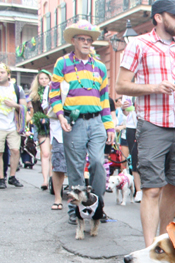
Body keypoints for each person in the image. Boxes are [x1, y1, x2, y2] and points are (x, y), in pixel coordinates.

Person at [116, 0, 175, 246]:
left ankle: (164, 242)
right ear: (159, 17)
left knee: (174, 185)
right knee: (152, 188)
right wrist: (154, 87)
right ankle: (149, 246)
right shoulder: (139, 45)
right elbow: (120, 85)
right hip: (152, 124)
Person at [49, 21, 115, 225]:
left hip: (96, 122)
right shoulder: (63, 63)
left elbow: (104, 97)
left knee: (97, 162)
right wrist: (60, 116)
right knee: (75, 167)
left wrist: (109, 125)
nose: (86, 43)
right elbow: (54, 93)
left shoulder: (100, 66)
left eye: (89, 40)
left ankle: (97, 207)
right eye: (82, 39)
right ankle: (75, 209)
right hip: (73, 121)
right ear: (73, 41)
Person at [0, 63, 28, 189]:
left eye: (2, 72)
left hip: (13, 125)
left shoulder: (16, 89)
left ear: (8, 75)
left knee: (15, 150)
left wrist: (15, 105)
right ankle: (1, 178)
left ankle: (12, 176)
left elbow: (24, 106)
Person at [43, 70, 66, 211]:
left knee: (80, 165)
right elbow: (46, 107)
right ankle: (58, 197)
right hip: (59, 130)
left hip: (79, 127)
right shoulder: (51, 86)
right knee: (58, 165)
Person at [30, 70, 53, 190]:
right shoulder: (35, 96)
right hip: (43, 125)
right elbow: (36, 113)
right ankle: (45, 180)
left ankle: (52, 179)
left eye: (46, 78)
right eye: (41, 78)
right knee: (45, 153)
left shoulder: (54, 91)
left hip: (54, 124)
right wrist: (41, 119)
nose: (43, 80)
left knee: (53, 153)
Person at [120, 97, 141, 201]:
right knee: (134, 156)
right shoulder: (128, 92)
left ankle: (146, 187)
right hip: (131, 127)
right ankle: (138, 190)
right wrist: (124, 108)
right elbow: (125, 112)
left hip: (147, 124)